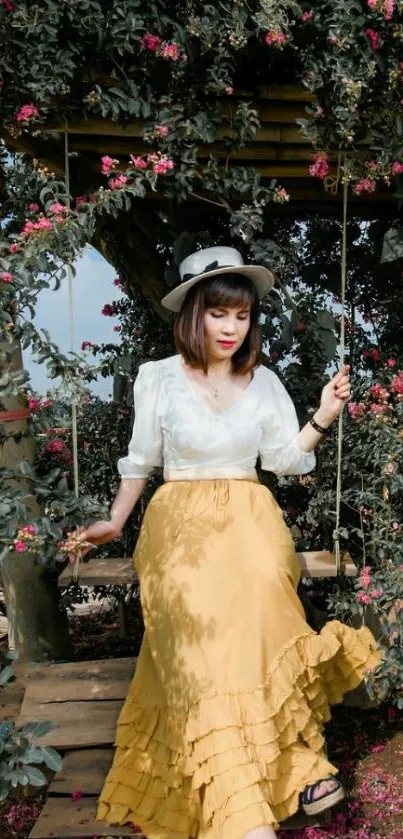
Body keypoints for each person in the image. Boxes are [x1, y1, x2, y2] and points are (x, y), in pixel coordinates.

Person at [66, 246, 382, 839]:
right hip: (179, 524)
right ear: (193, 314)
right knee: (199, 632)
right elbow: (139, 462)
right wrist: (113, 522)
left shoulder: (262, 380)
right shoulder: (157, 377)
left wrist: (323, 414)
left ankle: (291, 764)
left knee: (266, 599)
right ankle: (240, 803)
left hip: (249, 515)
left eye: (242, 315)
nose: (232, 327)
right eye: (219, 314)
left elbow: (284, 460)